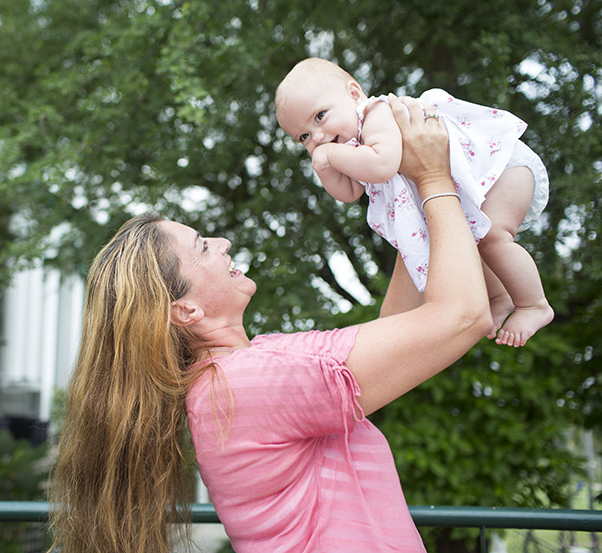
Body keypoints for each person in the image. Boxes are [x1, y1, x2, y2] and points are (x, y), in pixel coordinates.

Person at [49, 96, 492, 553]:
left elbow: (401, 331)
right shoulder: (244, 386)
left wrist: (405, 192)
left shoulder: (251, 366)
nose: (221, 242)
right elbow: (461, 317)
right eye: (202, 247)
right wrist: (435, 178)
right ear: (186, 311)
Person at [275, 57, 553, 347]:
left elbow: (382, 165)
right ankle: (501, 296)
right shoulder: (349, 146)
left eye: (320, 116)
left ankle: (534, 305)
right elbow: (349, 193)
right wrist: (325, 168)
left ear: (354, 94)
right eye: (303, 136)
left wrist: (330, 157)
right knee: (474, 245)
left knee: (494, 236)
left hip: (500, 170)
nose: (317, 137)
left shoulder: (376, 114)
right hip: (477, 186)